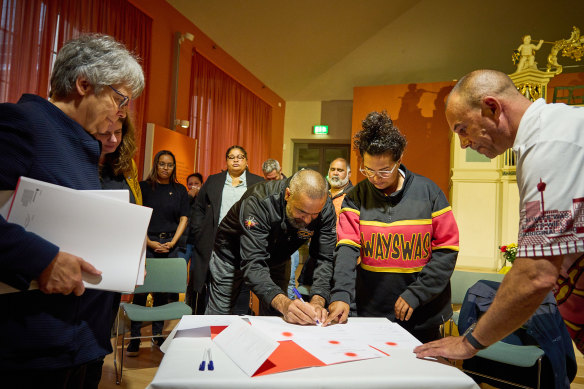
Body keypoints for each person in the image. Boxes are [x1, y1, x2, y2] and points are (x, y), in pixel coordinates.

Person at [0, 34, 144, 388]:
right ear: (84, 84)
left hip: (81, 342)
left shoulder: (79, 141)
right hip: (32, 348)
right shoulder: (22, 124)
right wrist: (43, 260)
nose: (123, 112)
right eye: (119, 98)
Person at [414, 69, 584, 363]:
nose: (464, 143)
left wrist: (469, 343)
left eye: (462, 129)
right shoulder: (549, 133)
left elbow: (536, 273)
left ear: (492, 108)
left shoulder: (549, 144)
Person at [324, 111, 459, 344]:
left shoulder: (429, 193)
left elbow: (447, 251)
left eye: (384, 170)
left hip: (422, 311)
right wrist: (342, 294)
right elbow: (346, 249)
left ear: (399, 159)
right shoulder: (356, 196)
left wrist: (417, 293)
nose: (376, 178)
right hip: (372, 309)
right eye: (368, 170)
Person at [206, 169, 337, 324]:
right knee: (219, 316)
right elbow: (253, 264)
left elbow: (325, 258)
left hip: (278, 258)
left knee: (278, 316)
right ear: (288, 195)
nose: (308, 220)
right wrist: (285, 304)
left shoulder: (325, 208)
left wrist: (318, 301)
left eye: (314, 215)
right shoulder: (258, 201)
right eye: (302, 212)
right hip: (231, 256)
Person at [189, 146, 264, 314]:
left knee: (242, 290)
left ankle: (238, 328)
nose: (236, 160)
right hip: (214, 243)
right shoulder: (214, 181)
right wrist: (200, 232)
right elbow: (198, 208)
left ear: (246, 160)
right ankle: (214, 328)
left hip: (245, 244)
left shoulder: (258, 183)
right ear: (226, 161)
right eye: (231, 157)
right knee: (214, 288)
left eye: (240, 157)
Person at [128, 150, 189, 356]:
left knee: (163, 293)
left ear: (174, 167)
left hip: (169, 243)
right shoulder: (144, 187)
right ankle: (135, 338)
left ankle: (157, 335)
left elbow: (183, 219)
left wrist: (172, 242)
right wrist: (149, 242)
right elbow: (137, 215)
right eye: (162, 164)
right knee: (141, 291)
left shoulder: (179, 189)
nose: (165, 168)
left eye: (169, 165)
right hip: (146, 242)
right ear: (155, 165)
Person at [178, 172, 204, 267]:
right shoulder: (184, 198)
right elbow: (179, 212)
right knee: (180, 270)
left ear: (202, 184)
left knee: (195, 273)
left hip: (199, 243)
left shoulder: (206, 199)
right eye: (190, 184)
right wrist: (189, 197)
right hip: (184, 243)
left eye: (196, 183)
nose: (193, 186)